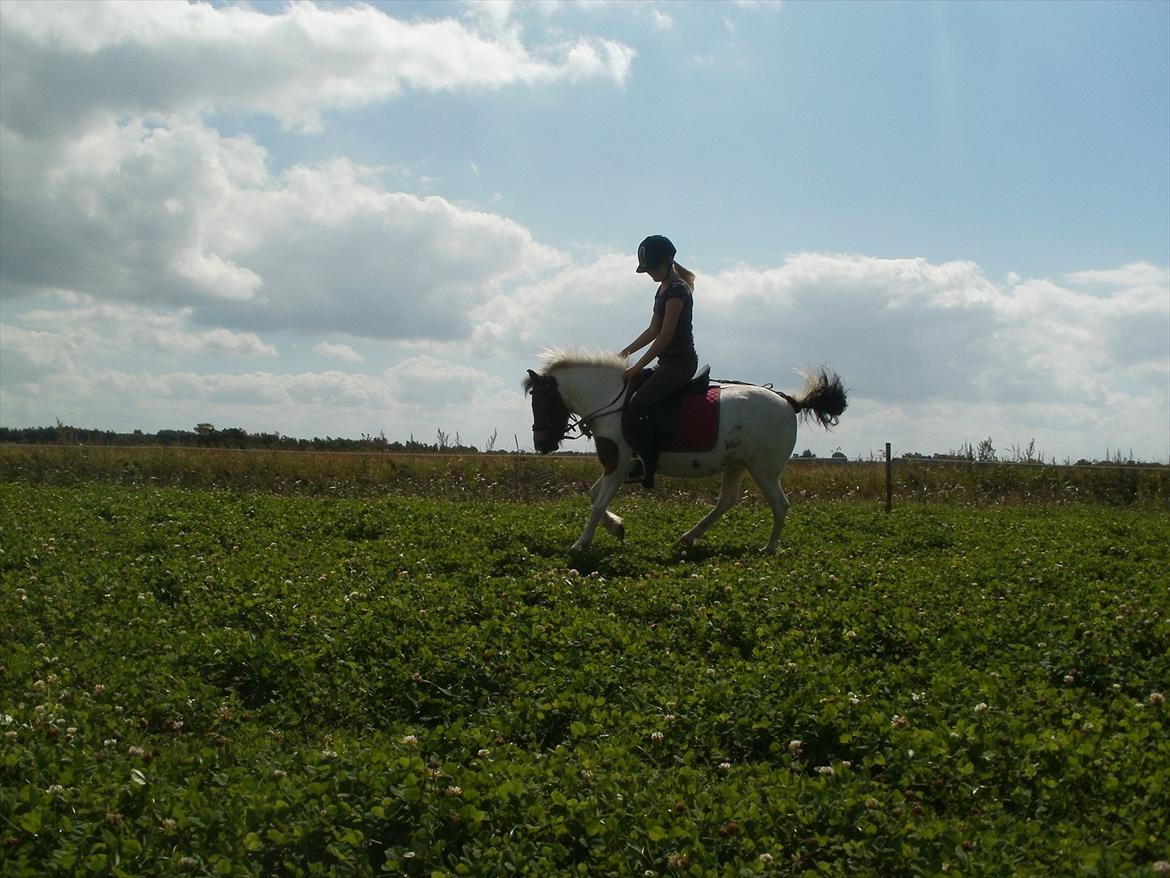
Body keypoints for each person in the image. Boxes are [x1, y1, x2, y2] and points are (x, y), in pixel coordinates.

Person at [617, 235, 699, 487]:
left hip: (680, 364)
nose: (650, 273)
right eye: (647, 269)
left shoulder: (677, 290)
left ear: (668, 261)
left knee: (639, 402)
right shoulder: (662, 289)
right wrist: (625, 352)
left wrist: (637, 368)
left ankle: (646, 465)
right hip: (667, 364)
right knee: (630, 392)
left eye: (652, 267)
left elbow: (664, 337)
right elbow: (653, 329)